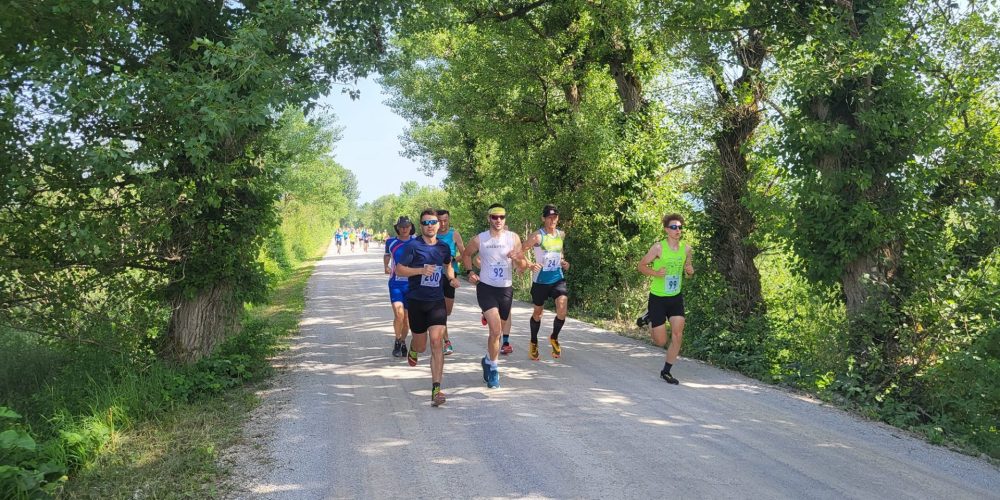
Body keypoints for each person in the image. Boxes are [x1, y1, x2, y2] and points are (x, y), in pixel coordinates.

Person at [395, 209, 459, 407]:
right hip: (416, 302)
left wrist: (451, 278)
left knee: (437, 342)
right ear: (420, 226)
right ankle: (413, 348)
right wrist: (420, 270)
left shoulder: (443, 247)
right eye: (425, 223)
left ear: (438, 225)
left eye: (433, 222)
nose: (430, 225)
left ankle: (436, 389)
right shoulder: (413, 246)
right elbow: (399, 269)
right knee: (422, 346)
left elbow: (448, 265)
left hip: (436, 301)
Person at [463, 204, 529, 389]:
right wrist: (469, 272)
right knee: (495, 330)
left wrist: (517, 259)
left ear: (505, 218)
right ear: (489, 218)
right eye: (494, 217)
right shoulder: (480, 239)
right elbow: (466, 254)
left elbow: (522, 266)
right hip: (486, 289)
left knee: (499, 331)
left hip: (505, 289)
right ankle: (494, 368)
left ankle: (486, 359)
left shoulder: (513, 238)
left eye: (501, 217)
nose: (498, 220)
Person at [637, 213, 694, 385]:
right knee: (660, 341)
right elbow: (641, 266)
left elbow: (688, 271)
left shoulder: (687, 249)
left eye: (680, 227)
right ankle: (648, 317)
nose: (678, 230)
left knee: (677, 334)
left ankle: (666, 371)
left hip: (675, 298)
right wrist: (656, 273)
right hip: (658, 298)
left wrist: (690, 272)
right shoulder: (658, 248)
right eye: (674, 227)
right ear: (666, 230)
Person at [521, 204, 570, 360]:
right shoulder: (538, 236)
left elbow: (559, 253)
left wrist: (564, 262)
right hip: (541, 280)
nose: (552, 220)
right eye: (549, 217)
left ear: (558, 218)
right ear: (543, 218)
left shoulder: (560, 234)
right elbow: (521, 250)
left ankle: (554, 337)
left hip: (557, 278)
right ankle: (533, 342)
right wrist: (530, 264)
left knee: (562, 309)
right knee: (538, 313)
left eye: (554, 217)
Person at [435, 209, 465, 356]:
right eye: (439, 220)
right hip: (434, 276)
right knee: (439, 310)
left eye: (445, 220)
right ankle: (446, 341)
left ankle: (438, 330)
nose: (442, 223)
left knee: (447, 311)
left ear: (449, 220)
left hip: (451, 275)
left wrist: (453, 259)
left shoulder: (454, 234)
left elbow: (464, 253)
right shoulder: (431, 234)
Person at [385, 217, 414, 358]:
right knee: (399, 314)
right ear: (397, 228)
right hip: (396, 283)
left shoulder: (416, 242)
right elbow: (387, 255)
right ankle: (397, 340)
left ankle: (403, 342)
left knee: (407, 318)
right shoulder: (391, 242)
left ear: (410, 227)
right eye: (401, 226)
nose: (404, 229)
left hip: (411, 284)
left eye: (407, 226)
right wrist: (386, 266)